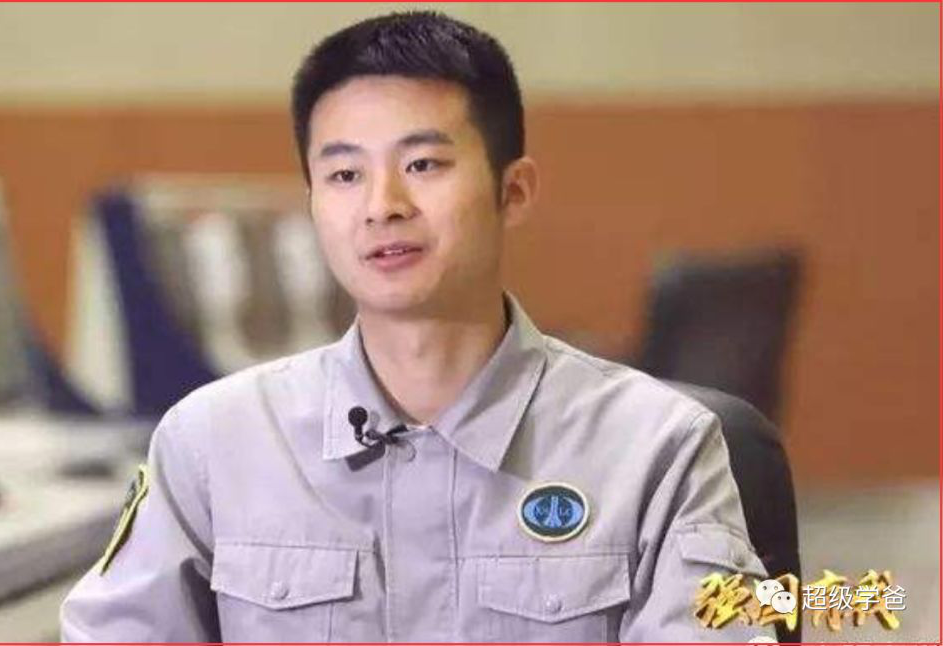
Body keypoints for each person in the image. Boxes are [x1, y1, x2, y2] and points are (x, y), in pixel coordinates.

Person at [60, 11, 776, 642]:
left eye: (423, 163)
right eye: (344, 176)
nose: (383, 205)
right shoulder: (213, 445)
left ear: (513, 190)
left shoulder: (657, 451)